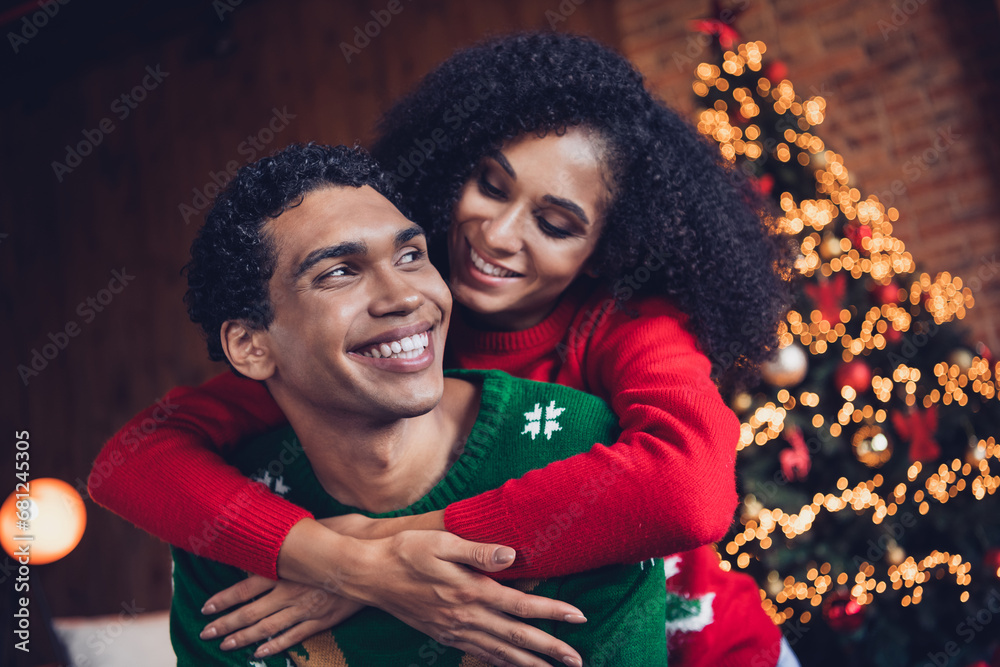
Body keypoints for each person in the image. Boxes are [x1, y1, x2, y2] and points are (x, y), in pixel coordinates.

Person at [90, 33, 797, 666]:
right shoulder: (389, 334)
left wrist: (387, 552)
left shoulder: (625, 326)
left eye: (553, 223)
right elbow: (132, 460)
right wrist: (327, 556)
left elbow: (687, 489)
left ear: (602, 250)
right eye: (490, 185)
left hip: (720, 650)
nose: (497, 234)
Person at [169, 141, 667, 666]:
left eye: (410, 255)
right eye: (339, 272)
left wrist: (356, 558)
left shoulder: (577, 445)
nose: (405, 295)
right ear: (251, 346)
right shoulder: (228, 516)